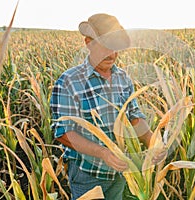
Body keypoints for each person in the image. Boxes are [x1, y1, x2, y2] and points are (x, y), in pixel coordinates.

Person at [50, 13, 165, 200]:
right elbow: (63, 132)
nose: (112, 55)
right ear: (88, 42)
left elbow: (134, 117)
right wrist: (102, 153)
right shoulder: (69, 81)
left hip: (120, 173)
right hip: (88, 174)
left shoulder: (123, 78)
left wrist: (154, 143)